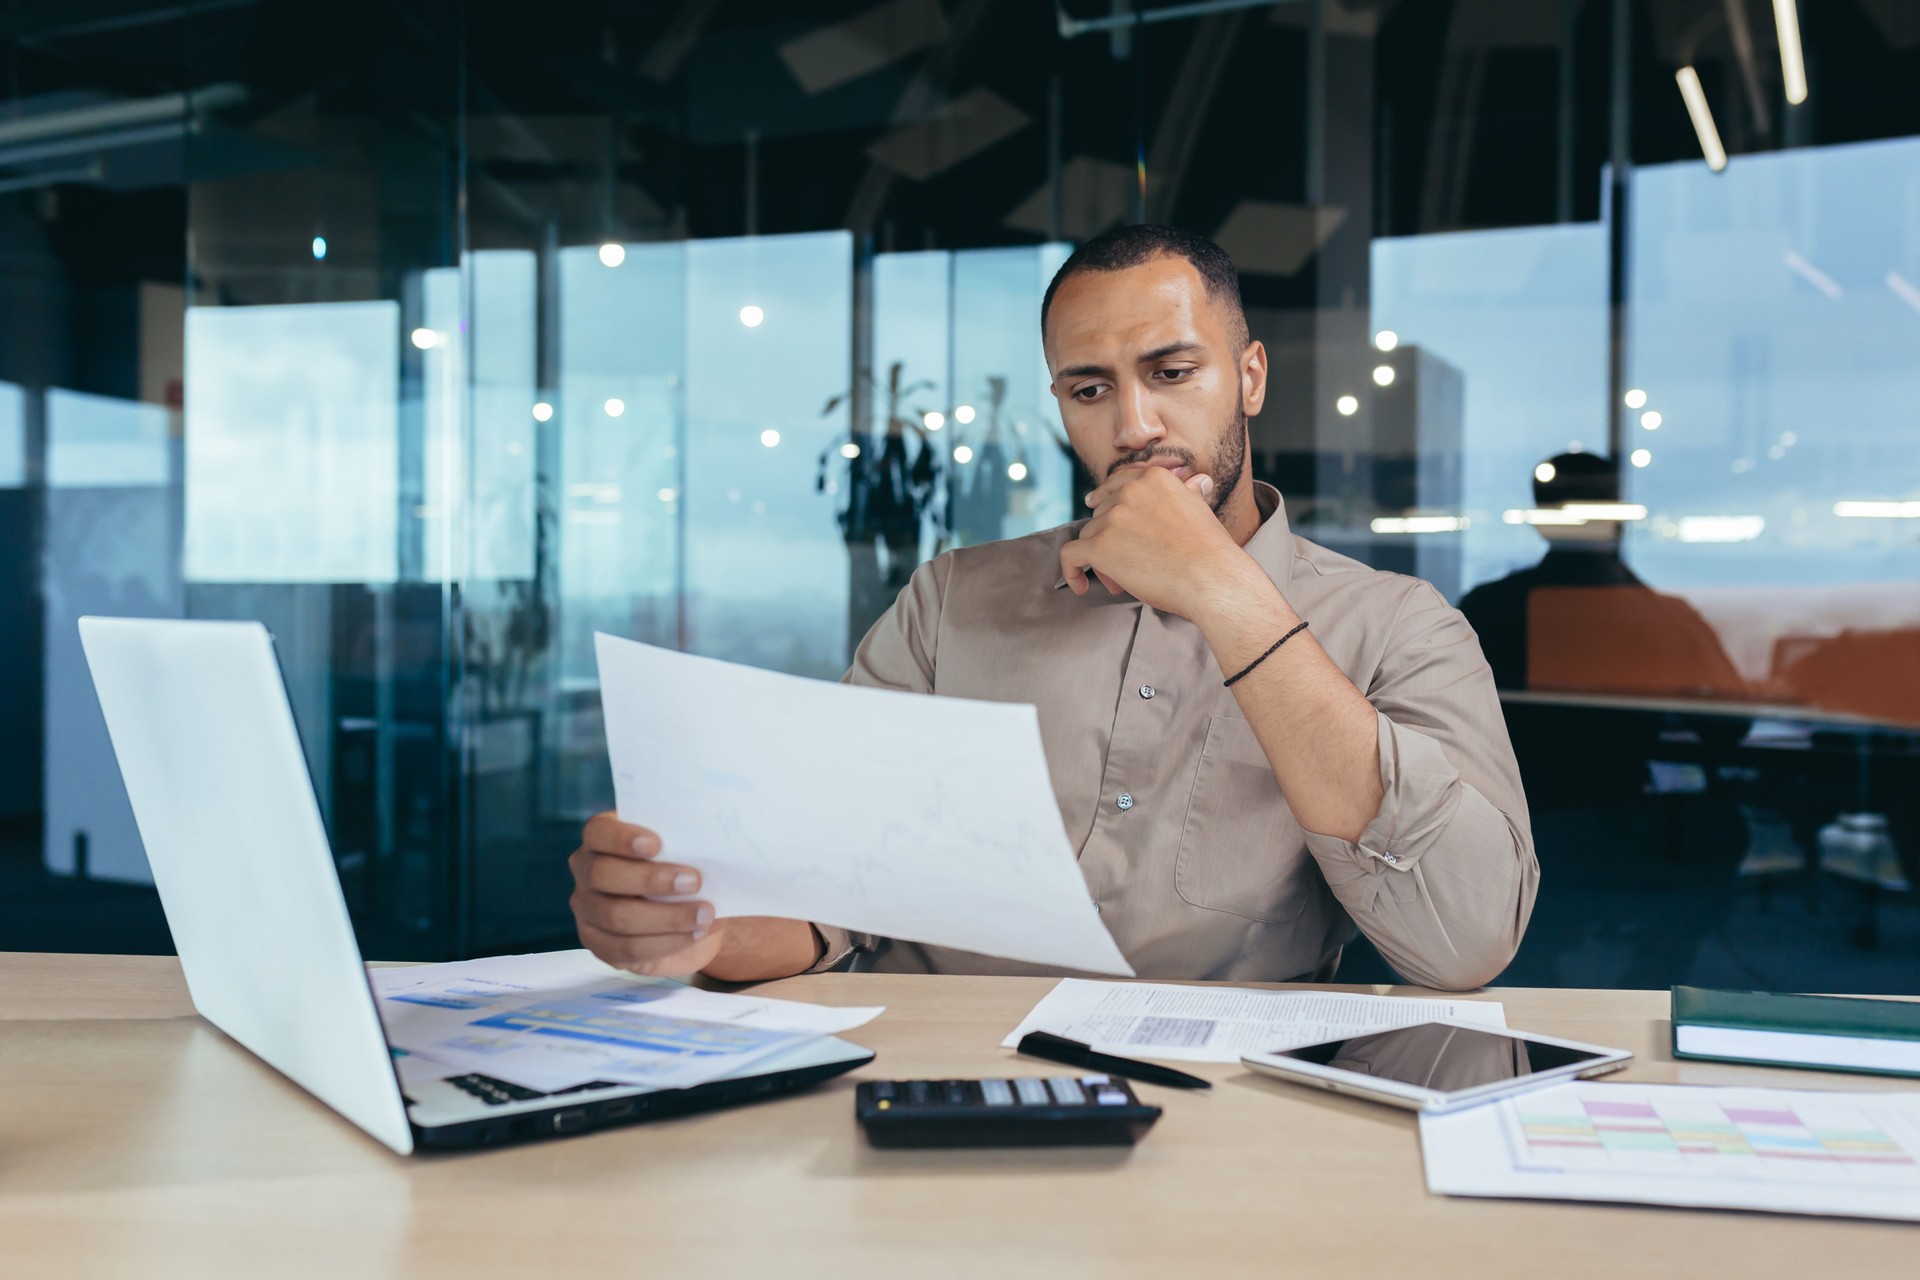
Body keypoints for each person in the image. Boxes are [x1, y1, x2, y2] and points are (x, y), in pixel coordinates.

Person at [569, 225, 1538, 992]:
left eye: (1172, 371)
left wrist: (1223, 590)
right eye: (1090, 388)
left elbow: (1464, 939)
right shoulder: (950, 600)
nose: (1134, 425)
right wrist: (695, 926)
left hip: (1220, 1116)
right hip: (927, 1078)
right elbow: (831, 898)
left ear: (1248, 376)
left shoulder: (1401, 624)